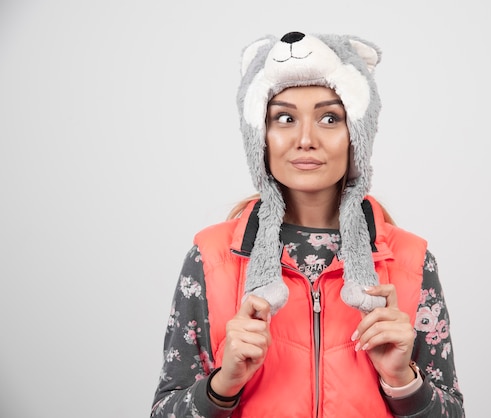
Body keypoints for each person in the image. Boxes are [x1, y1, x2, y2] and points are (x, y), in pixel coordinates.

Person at [151, 31, 464, 417]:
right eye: (284, 118)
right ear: (259, 135)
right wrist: (223, 385)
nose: (305, 139)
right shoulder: (212, 257)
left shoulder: (412, 261)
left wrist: (403, 380)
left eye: (330, 118)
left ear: (357, 134)